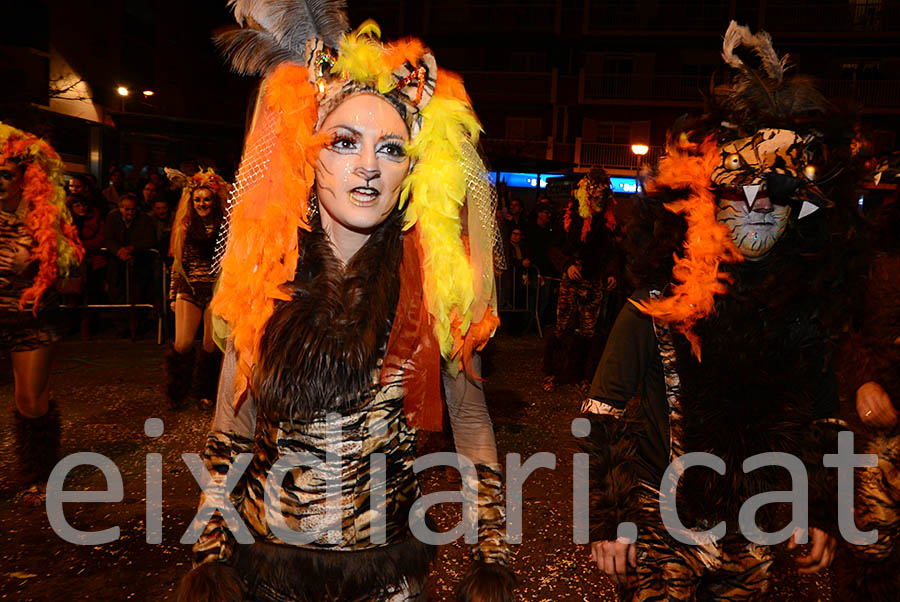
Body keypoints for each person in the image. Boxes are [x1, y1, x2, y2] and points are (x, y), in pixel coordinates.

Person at [178, 6, 512, 602]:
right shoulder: (270, 275)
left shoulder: (435, 286)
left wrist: (492, 553)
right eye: (344, 141)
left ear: (412, 168)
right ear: (311, 154)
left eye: (390, 148)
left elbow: (469, 419)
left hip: (388, 576)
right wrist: (209, 552)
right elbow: (232, 425)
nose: (366, 167)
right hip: (269, 572)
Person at [583, 23, 861, 599]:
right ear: (705, 201)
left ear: (797, 214)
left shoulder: (801, 313)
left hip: (758, 539)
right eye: (741, 192)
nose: (759, 208)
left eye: (776, 196)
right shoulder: (658, 307)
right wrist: (609, 519)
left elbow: (824, 425)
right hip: (661, 538)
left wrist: (821, 510)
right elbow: (602, 416)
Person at [0, 123, 83, 503]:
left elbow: (70, 268)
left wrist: (33, 261)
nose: (0, 182)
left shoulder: (46, 214)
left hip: (31, 315)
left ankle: (41, 471)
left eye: (6, 175)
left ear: (23, 178)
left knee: (30, 400)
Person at [542, 167, 623, 394]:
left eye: (603, 196)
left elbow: (612, 253)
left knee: (588, 332)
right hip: (571, 282)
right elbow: (552, 247)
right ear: (586, 195)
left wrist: (611, 273)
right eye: (595, 196)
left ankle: (583, 375)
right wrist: (566, 265)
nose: (599, 201)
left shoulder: (607, 223)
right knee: (562, 328)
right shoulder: (570, 219)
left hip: (594, 282)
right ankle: (552, 373)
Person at [164, 169, 228, 411]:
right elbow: (177, 265)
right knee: (182, 343)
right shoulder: (185, 227)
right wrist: (172, 295)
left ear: (214, 201)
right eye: (198, 200)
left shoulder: (225, 228)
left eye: (207, 199)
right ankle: (177, 392)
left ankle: (206, 393)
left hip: (215, 292)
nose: (202, 204)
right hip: (189, 289)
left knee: (211, 346)